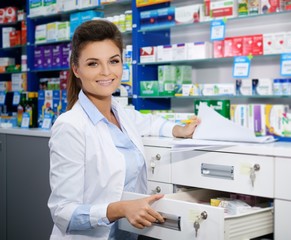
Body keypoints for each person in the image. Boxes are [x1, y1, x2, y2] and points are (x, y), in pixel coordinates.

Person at [48, 19, 200, 240]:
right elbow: (63, 212)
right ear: (76, 69)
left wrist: (180, 129)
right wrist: (121, 209)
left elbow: (152, 124)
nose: (106, 71)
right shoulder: (70, 126)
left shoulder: (121, 113)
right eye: (93, 63)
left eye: (114, 61)